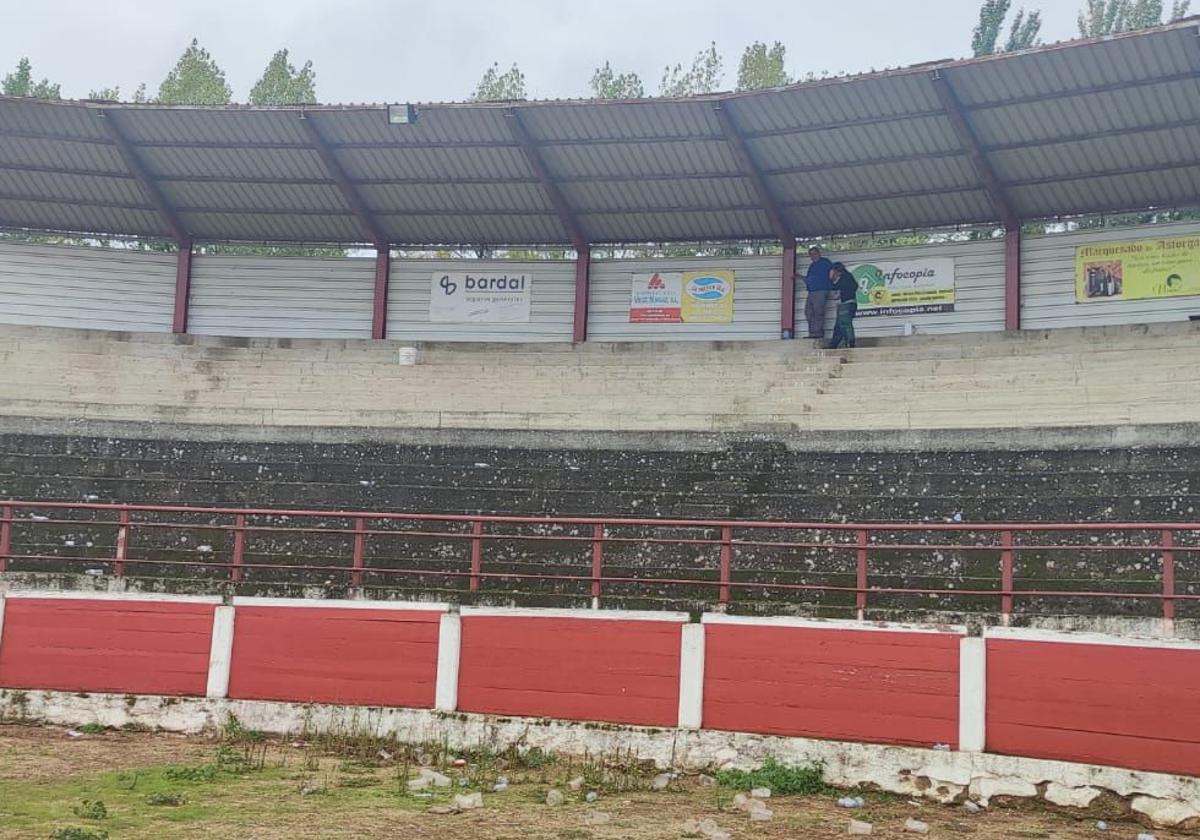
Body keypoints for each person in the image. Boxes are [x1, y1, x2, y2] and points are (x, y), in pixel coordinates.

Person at [803, 246, 833, 339]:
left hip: (821, 290)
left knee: (818, 312)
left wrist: (830, 284)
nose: (812, 256)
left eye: (813, 253)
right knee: (808, 312)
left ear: (818, 253)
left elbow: (832, 272)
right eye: (810, 254)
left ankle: (818, 333)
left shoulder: (825, 262)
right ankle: (812, 333)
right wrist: (800, 277)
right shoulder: (812, 266)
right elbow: (808, 279)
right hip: (811, 291)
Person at [829, 262, 859, 349]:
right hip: (851, 303)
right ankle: (834, 343)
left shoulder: (844, 277)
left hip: (846, 304)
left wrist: (831, 279)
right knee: (839, 325)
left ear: (837, 271)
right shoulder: (849, 276)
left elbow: (834, 286)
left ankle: (850, 342)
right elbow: (855, 286)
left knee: (845, 324)